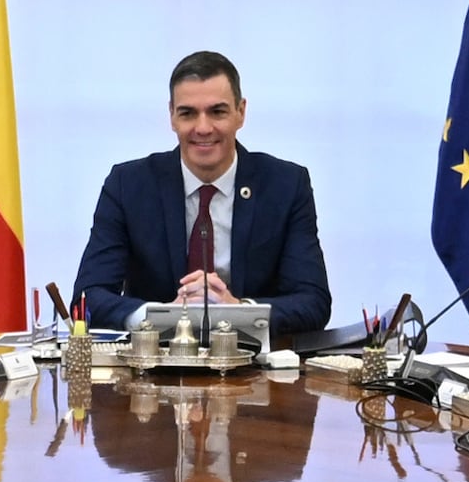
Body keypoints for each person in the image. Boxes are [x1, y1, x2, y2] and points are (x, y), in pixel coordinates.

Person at [69, 49, 334, 338]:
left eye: (217, 112)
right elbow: (87, 298)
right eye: (188, 113)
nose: (203, 128)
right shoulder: (128, 185)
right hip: (154, 367)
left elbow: (313, 302)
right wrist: (160, 315)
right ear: (172, 116)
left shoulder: (285, 185)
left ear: (241, 112)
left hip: (253, 369)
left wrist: (238, 311)